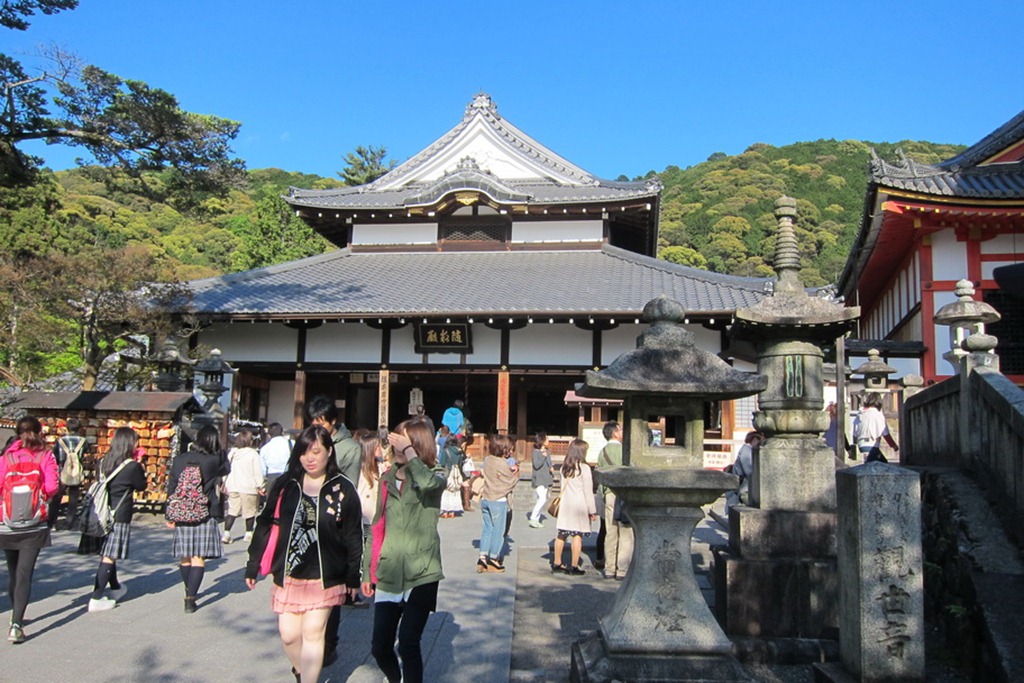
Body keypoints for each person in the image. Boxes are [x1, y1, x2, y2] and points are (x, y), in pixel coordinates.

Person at [245, 425, 362, 683]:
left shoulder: (342, 488)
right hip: (289, 573)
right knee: (288, 635)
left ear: (329, 452)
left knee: (313, 632)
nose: (310, 458)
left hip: (326, 575)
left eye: (316, 451)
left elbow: (353, 535)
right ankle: (301, 671)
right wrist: (253, 563)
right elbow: (264, 523)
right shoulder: (286, 484)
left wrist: (354, 576)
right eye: (304, 452)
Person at [362, 417, 445, 683]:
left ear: (418, 443)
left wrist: (410, 453)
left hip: (422, 570)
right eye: (398, 437)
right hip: (389, 569)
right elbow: (377, 526)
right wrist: (367, 571)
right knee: (380, 646)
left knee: (408, 643)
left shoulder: (435, 473)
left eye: (405, 439)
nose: (397, 442)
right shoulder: (387, 478)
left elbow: (430, 485)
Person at [305, 394, 363, 662]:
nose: (317, 427)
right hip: (307, 521)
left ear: (333, 422)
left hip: (333, 520)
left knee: (332, 587)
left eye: (321, 423)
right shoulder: (306, 442)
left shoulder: (350, 448)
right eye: (313, 421)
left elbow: (347, 487)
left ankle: (329, 643)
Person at [0, 417, 58, 643]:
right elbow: (52, 486)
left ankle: (15, 611)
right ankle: (16, 624)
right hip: (34, 523)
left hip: (7, 521)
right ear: (39, 432)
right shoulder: (46, 455)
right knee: (25, 573)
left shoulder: (8, 456)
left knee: (13, 570)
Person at [167, 424, 230, 613]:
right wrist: (221, 450)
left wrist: (169, 513)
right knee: (198, 557)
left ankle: (188, 588)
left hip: (182, 512)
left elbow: (171, 487)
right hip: (205, 511)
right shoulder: (212, 461)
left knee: (185, 557)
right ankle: (190, 598)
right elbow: (226, 468)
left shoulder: (179, 460)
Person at [85, 427, 147, 612]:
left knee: (107, 552)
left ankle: (116, 587)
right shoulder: (132, 466)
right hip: (119, 514)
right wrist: (140, 464)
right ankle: (96, 597)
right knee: (109, 555)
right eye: (135, 441)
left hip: (100, 512)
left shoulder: (102, 462)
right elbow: (141, 485)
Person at [552, 438, 597, 575]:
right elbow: (588, 491)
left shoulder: (565, 467)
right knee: (577, 534)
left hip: (566, 503)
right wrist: (592, 510)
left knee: (562, 534)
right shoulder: (584, 468)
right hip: (579, 504)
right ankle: (574, 565)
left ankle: (557, 562)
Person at [476, 434, 519, 573]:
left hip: (486, 499)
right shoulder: (502, 463)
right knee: (498, 531)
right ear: (504, 449)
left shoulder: (488, 459)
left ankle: (482, 556)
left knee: (487, 529)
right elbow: (509, 482)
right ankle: (493, 559)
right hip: (498, 500)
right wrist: (516, 474)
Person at [597, 421, 632, 580]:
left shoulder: (602, 452)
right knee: (625, 532)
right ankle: (622, 569)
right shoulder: (625, 451)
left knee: (610, 532)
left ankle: (609, 568)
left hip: (609, 493)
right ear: (615, 433)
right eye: (620, 429)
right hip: (624, 494)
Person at [223, 429, 265, 544]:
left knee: (232, 510)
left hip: (233, 486)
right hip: (248, 486)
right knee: (250, 511)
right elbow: (257, 472)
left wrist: (225, 483)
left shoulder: (233, 452)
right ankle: (248, 533)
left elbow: (226, 469)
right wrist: (260, 485)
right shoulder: (253, 454)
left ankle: (226, 533)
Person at [50, 417, 89, 528]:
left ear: (67, 428)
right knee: (73, 497)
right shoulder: (83, 441)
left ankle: (52, 521)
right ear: (79, 428)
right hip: (76, 471)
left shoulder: (60, 441)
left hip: (62, 471)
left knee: (57, 497)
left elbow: (55, 456)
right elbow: (87, 451)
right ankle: (69, 521)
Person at [356, 430, 386, 539]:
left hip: (378, 516)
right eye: (378, 447)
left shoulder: (381, 467)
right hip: (364, 517)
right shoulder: (359, 470)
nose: (381, 449)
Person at [853, 392, 899, 463]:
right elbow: (885, 433)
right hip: (872, 445)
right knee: (883, 465)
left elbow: (854, 433)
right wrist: (894, 446)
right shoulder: (877, 415)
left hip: (861, 445)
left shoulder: (860, 414)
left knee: (871, 464)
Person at [727, 431, 764, 510]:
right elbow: (749, 470)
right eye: (760, 441)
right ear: (754, 439)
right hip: (744, 490)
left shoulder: (751, 451)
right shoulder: (746, 449)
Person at [528, 432, 554, 528]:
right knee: (542, 499)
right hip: (539, 478)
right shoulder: (536, 452)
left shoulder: (547, 451)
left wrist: (551, 467)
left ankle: (537, 519)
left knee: (542, 498)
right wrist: (543, 457)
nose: (548, 441)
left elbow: (549, 462)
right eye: (546, 439)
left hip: (546, 477)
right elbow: (536, 465)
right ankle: (533, 517)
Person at [260, 423, 293, 495]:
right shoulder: (291, 443)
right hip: (288, 476)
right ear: (282, 432)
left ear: (269, 435)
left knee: (272, 503)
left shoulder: (264, 448)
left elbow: (263, 470)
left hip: (272, 478)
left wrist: (263, 484)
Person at [438, 432, 464, 518]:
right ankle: (453, 511)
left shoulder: (446, 450)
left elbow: (442, 462)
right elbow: (461, 463)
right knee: (455, 492)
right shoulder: (459, 451)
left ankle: (445, 512)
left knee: (446, 491)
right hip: (456, 474)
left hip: (448, 472)